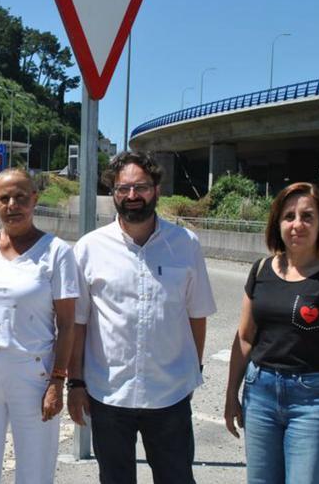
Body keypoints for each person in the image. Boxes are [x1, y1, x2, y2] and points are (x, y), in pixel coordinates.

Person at [67, 152, 217, 484]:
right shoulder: (89, 248)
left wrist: (194, 371)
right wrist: (75, 383)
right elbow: (78, 322)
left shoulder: (185, 244)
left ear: (156, 190)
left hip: (170, 393)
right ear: (113, 193)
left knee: (176, 478)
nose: (132, 196)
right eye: (123, 189)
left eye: (141, 187)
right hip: (108, 394)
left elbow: (197, 315)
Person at [224, 182, 319, 483]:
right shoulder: (260, 270)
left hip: (314, 401)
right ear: (277, 223)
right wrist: (230, 395)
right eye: (289, 216)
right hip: (260, 394)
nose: (297, 224)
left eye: (307, 216)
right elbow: (245, 337)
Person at [0, 168, 78, 483]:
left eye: (21, 197)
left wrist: (57, 381)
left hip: (33, 373)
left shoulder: (57, 252)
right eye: (4, 198)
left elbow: (66, 324)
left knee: (35, 470)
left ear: (34, 199)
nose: (13, 205)